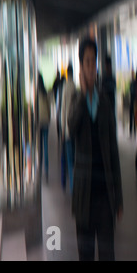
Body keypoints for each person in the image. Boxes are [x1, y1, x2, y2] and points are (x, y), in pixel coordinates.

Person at [68, 38, 123, 261]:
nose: (91, 68)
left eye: (93, 62)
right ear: (81, 66)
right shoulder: (75, 99)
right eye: (87, 62)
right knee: (86, 256)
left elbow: (114, 152)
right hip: (84, 199)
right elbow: (71, 130)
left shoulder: (105, 103)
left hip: (105, 197)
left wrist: (118, 199)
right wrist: (83, 95)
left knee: (108, 255)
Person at [61, 63, 76, 194]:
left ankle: (72, 188)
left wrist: (62, 128)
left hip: (67, 129)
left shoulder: (65, 87)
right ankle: (74, 187)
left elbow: (63, 110)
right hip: (75, 129)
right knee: (75, 161)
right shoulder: (75, 87)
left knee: (69, 160)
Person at [37, 73, 51, 182]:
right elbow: (49, 107)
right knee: (45, 145)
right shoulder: (45, 92)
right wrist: (49, 117)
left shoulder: (35, 93)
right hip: (46, 120)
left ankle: (39, 168)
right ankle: (46, 170)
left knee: (39, 146)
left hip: (38, 122)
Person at [129, 70, 136, 138]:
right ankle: (131, 131)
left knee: (134, 117)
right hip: (132, 102)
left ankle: (134, 130)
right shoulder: (132, 83)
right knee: (131, 117)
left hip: (134, 102)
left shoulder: (134, 83)